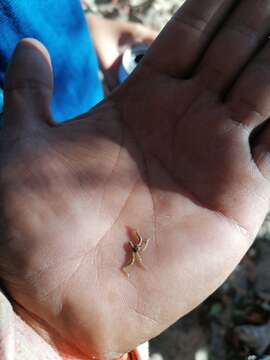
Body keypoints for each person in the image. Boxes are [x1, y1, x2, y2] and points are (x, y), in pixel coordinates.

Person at [1, 0, 270, 359]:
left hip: (66, 114)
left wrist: (84, 28)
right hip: (49, 150)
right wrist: (46, 335)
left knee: (69, 88)